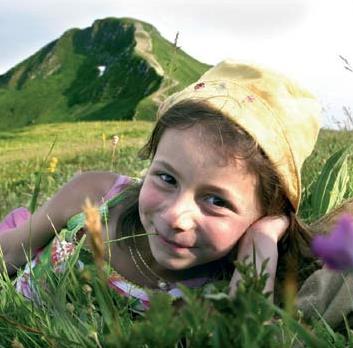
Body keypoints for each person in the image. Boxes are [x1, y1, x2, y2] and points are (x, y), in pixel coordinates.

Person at [0, 60, 347, 320]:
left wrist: (261, 246)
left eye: (216, 201)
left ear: (265, 214)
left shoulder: (218, 291)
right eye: (166, 178)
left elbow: (241, 336)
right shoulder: (95, 195)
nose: (175, 216)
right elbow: (13, 252)